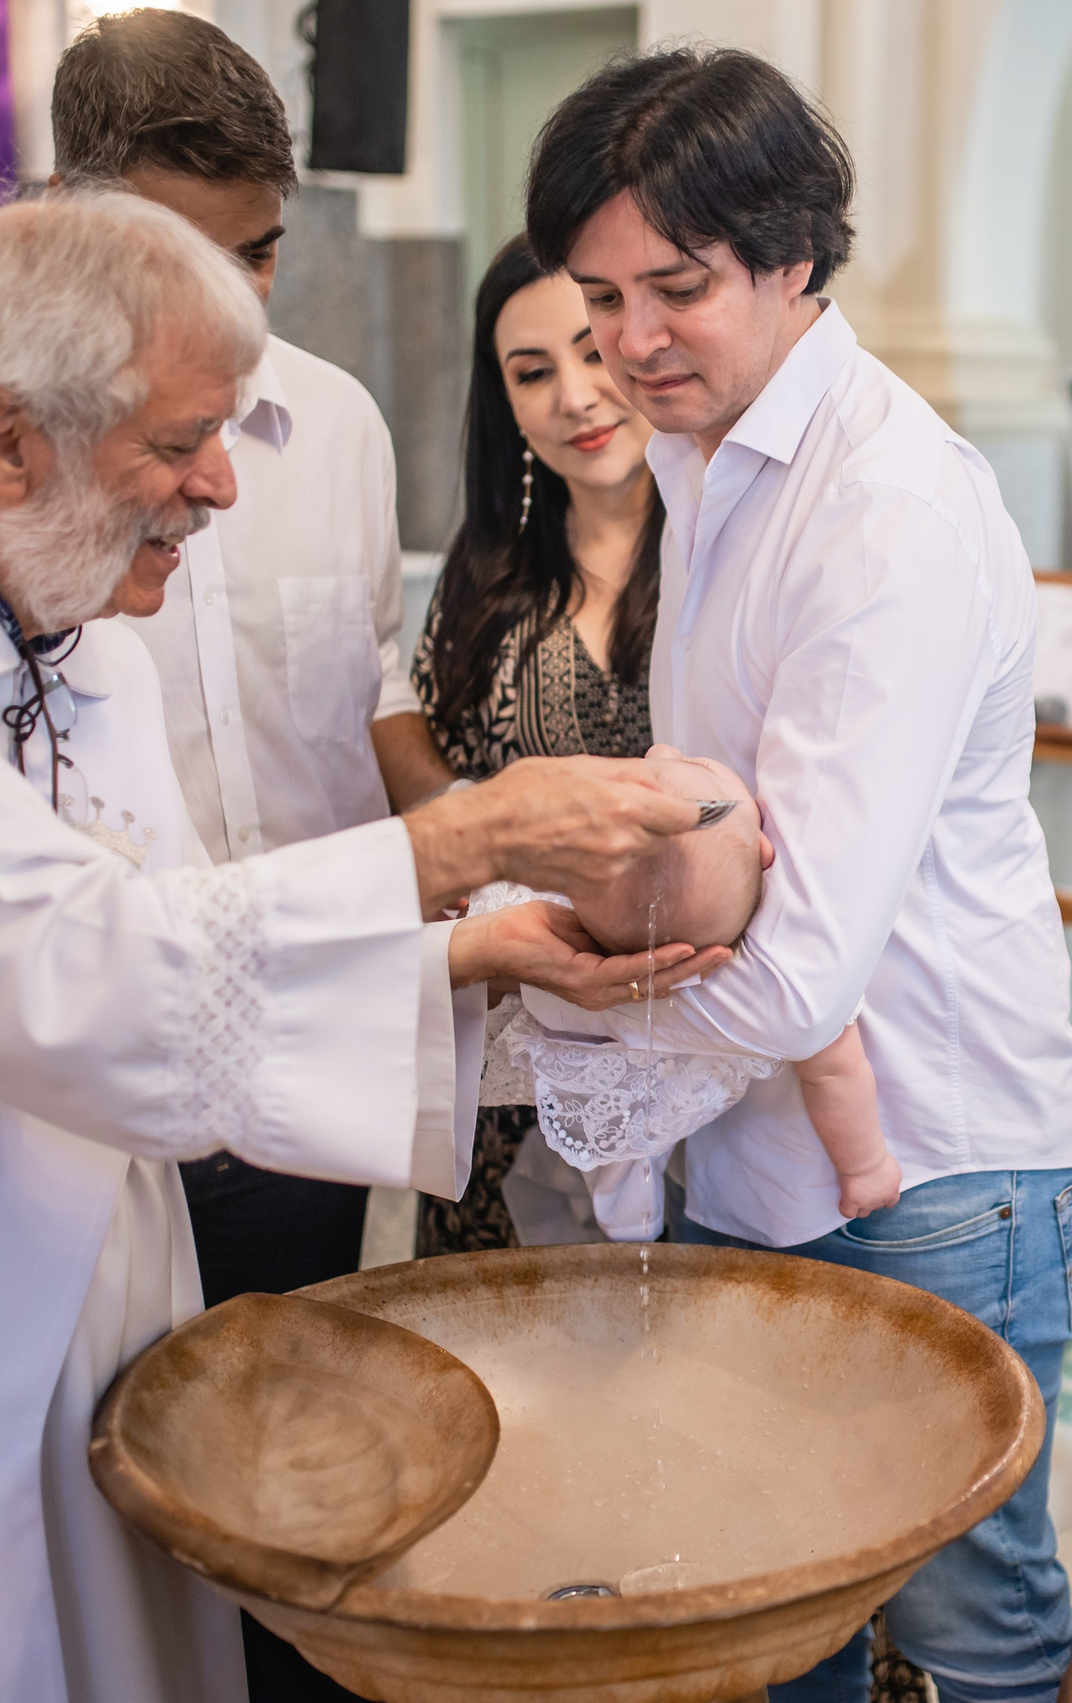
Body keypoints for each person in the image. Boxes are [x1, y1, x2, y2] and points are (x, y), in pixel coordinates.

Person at [0, 194, 719, 1703]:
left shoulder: (68, 630)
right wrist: (463, 840)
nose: (220, 485)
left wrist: (468, 959)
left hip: (95, 1335)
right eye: (176, 445)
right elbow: (73, 978)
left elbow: (179, 946)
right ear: (6, 438)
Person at [516, 46, 1072, 1703]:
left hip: (931, 1163)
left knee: (970, 1627)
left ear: (793, 259)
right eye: (600, 294)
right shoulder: (714, 455)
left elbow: (800, 971)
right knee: (769, 1618)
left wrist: (532, 999)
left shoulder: (886, 509)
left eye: (677, 290)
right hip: (756, 1144)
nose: (631, 343)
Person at [0, 10, 434, 1317]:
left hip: (296, 1056)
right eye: (179, 257)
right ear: (63, 214)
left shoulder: (337, 425)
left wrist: (451, 832)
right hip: (64, 1091)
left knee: (288, 1445)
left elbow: (367, 676)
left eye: (259, 253)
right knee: (89, 1477)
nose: (233, 304)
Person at [394, 231, 670, 1253]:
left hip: (696, 1071)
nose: (576, 395)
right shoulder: (481, 584)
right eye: (532, 371)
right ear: (502, 401)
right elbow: (437, 816)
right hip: (507, 1087)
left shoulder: (725, 560)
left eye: (592, 349)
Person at [484, 751, 901, 1240]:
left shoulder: (572, 948)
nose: (661, 750)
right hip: (674, 1093)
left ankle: (623, 1212)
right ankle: (624, 1210)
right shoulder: (780, 971)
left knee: (624, 1132)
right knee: (636, 1126)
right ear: (765, 853)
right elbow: (836, 1073)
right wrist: (865, 1166)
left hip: (615, 1074)